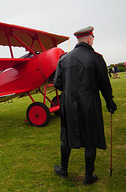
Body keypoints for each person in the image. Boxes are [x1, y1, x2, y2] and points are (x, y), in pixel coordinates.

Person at [53, 26, 117, 185]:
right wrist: (110, 103)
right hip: (89, 104)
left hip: (68, 104)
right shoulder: (96, 58)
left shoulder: (64, 59)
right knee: (90, 139)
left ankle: (64, 169)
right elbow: (105, 85)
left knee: (66, 136)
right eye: (93, 39)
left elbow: (57, 83)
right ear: (89, 39)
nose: (93, 41)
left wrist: (70, 89)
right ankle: (88, 177)